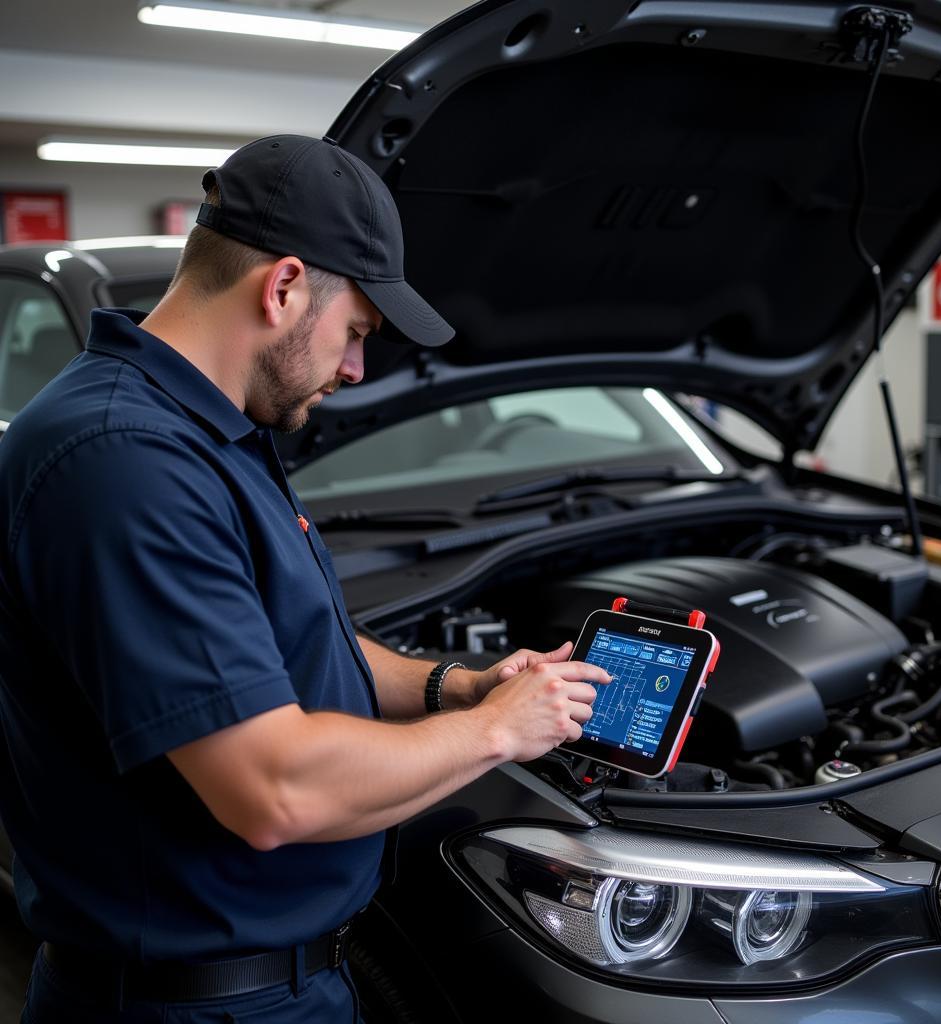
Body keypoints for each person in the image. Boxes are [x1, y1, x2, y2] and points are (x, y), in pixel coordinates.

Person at [0, 135, 609, 1024]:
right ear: (284, 286)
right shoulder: (123, 461)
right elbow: (271, 790)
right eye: (356, 330)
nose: (357, 369)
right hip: (191, 1006)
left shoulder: (208, 433)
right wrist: (493, 732)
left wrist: (455, 687)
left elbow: (299, 642)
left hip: (273, 986)